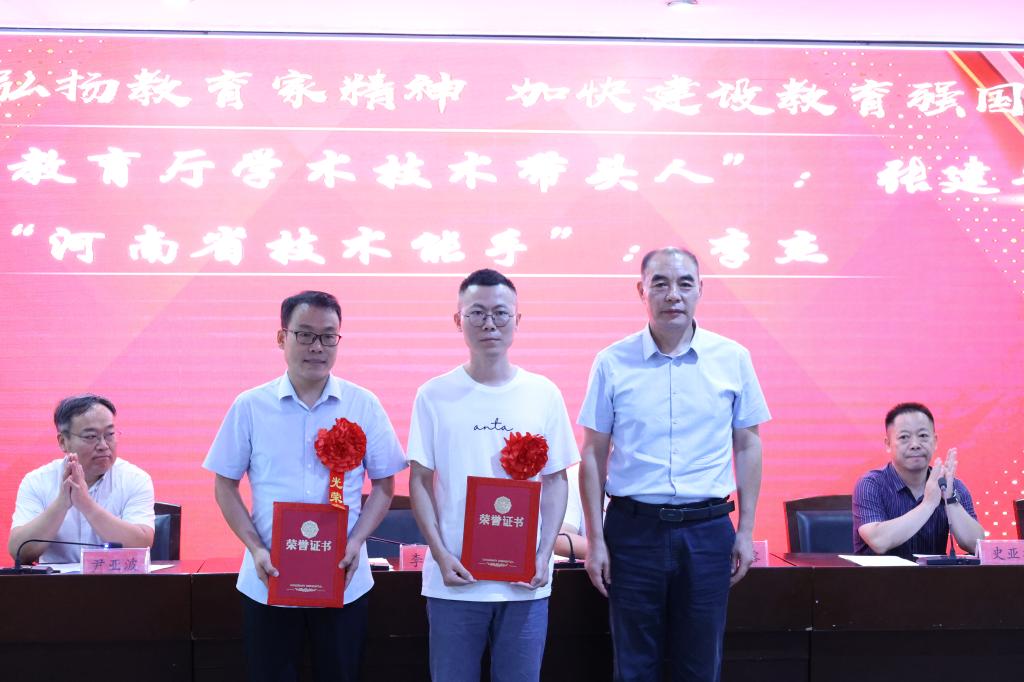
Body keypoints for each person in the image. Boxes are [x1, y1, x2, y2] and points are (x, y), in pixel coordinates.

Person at [578, 247, 770, 682]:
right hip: (632, 532)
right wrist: (595, 540)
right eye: (660, 284)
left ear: (701, 289)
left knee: (700, 665)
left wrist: (745, 531)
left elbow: (747, 444)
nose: (673, 295)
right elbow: (593, 452)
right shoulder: (612, 361)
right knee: (634, 665)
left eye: (685, 284)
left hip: (707, 531)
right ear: (641, 290)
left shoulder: (732, 358)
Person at [203, 290, 406, 682]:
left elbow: (384, 485)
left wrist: (356, 541)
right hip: (269, 580)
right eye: (306, 334)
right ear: (282, 337)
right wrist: (256, 548)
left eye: (328, 336)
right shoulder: (250, 406)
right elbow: (224, 485)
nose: (317, 347)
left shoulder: (363, 404)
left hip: (343, 581)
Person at [407, 268, 578, 682]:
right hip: (455, 580)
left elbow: (555, 480)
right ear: (458, 320)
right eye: (477, 313)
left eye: (500, 313)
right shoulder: (434, 395)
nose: (489, 323)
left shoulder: (543, 393)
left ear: (517, 320)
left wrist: (543, 555)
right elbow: (420, 481)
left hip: (525, 583)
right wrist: (441, 555)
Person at [9, 394, 154, 565]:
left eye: (110, 434)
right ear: (63, 442)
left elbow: (141, 545)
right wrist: (62, 503)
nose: (103, 445)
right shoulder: (37, 481)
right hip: (56, 582)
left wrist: (86, 504)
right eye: (91, 436)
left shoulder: (135, 479)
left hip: (116, 581)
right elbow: (19, 551)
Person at [853, 402, 985, 558]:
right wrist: (928, 504)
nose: (915, 445)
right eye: (904, 437)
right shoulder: (871, 484)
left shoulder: (952, 485)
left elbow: (977, 546)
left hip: (935, 574)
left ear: (935, 441)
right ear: (888, 444)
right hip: (882, 574)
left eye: (923, 436)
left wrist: (950, 500)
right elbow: (878, 541)